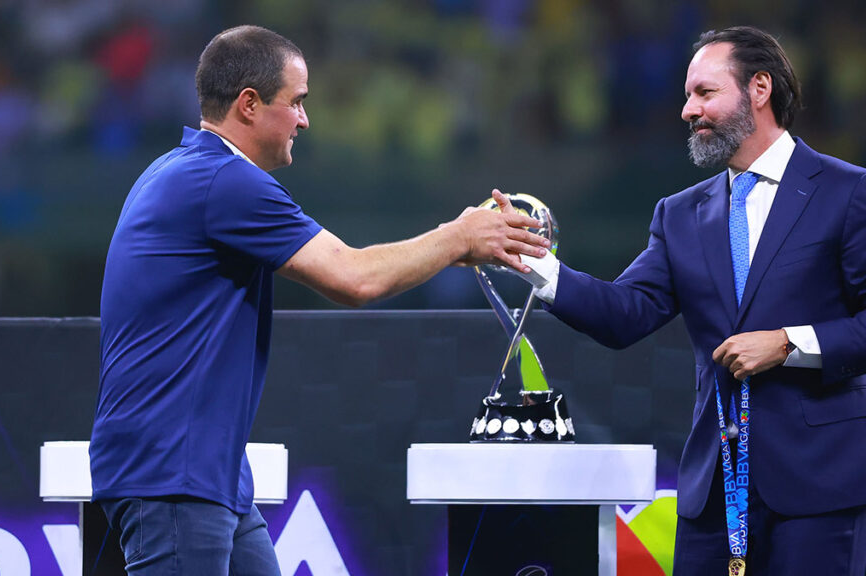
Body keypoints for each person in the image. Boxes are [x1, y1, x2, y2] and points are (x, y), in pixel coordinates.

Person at [88, 25, 549, 575]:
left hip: (208, 472)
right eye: (297, 102)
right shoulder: (224, 181)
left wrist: (455, 247)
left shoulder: (181, 170)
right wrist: (458, 236)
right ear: (250, 105)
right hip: (173, 470)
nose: (305, 120)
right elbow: (353, 278)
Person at [520, 26, 866, 575]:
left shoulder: (851, 191)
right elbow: (624, 314)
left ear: (759, 89)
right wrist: (534, 263)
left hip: (821, 484)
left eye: (704, 93)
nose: (688, 110)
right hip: (716, 490)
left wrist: (786, 344)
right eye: (688, 95)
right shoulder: (678, 214)